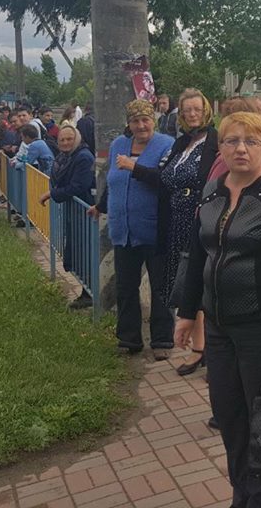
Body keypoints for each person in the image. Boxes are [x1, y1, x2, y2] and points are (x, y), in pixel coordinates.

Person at [174, 111, 261, 508]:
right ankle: (243, 493)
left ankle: (260, 499)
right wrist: (188, 312)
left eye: (251, 141)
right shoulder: (213, 190)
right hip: (220, 329)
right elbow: (199, 252)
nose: (241, 149)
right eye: (231, 140)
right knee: (229, 416)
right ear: (219, 147)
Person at [131, 89, 218, 377]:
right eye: (187, 110)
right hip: (176, 222)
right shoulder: (182, 143)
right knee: (189, 287)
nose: (192, 114)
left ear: (206, 110)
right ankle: (199, 348)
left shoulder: (215, 141)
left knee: (204, 287)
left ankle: (209, 352)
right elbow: (164, 177)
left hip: (200, 222)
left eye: (197, 109)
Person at [89, 100, 175, 358]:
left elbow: (166, 181)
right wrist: (100, 206)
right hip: (123, 231)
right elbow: (113, 182)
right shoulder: (119, 145)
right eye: (135, 121)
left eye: (145, 120)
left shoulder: (167, 145)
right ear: (129, 123)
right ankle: (129, 339)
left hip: (155, 230)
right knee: (126, 287)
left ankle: (162, 341)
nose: (141, 125)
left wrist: (134, 167)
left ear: (153, 120)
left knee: (161, 288)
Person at [39, 124, 95, 309]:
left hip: (85, 210)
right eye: (62, 139)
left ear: (77, 139)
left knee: (84, 250)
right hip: (74, 211)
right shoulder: (64, 157)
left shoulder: (83, 157)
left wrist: (52, 193)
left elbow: (78, 186)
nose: (65, 142)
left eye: (69, 139)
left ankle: (89, 292)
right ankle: (86, 290)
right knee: (76, 248)